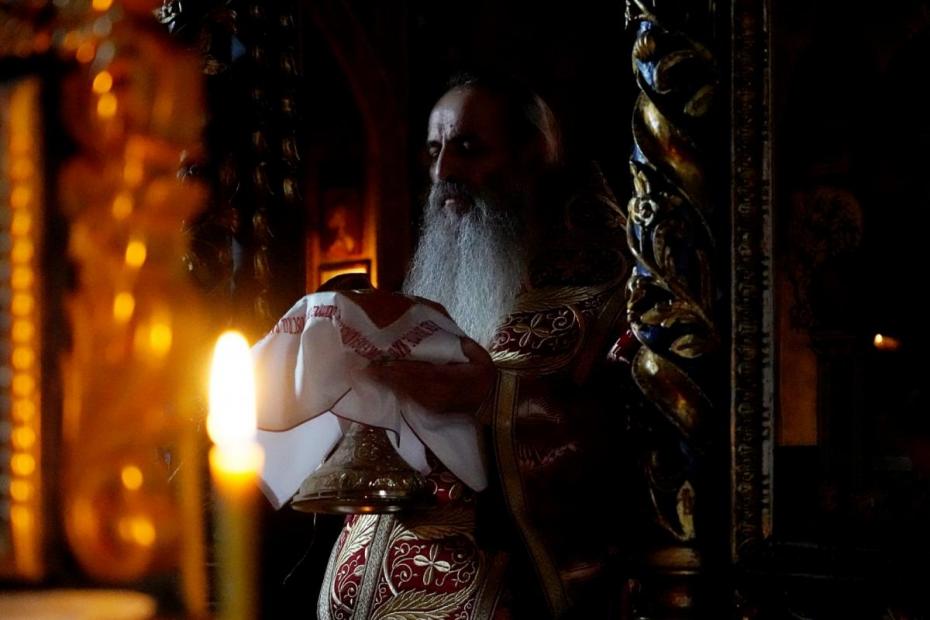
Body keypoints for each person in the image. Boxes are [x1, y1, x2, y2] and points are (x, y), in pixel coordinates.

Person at [316, 73, 638, 619]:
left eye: (469, 149)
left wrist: (490, 401)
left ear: (531, 157)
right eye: (435, 151)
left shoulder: (610, 295)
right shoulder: (430, 287)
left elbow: (624, 447)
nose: (444, 172)